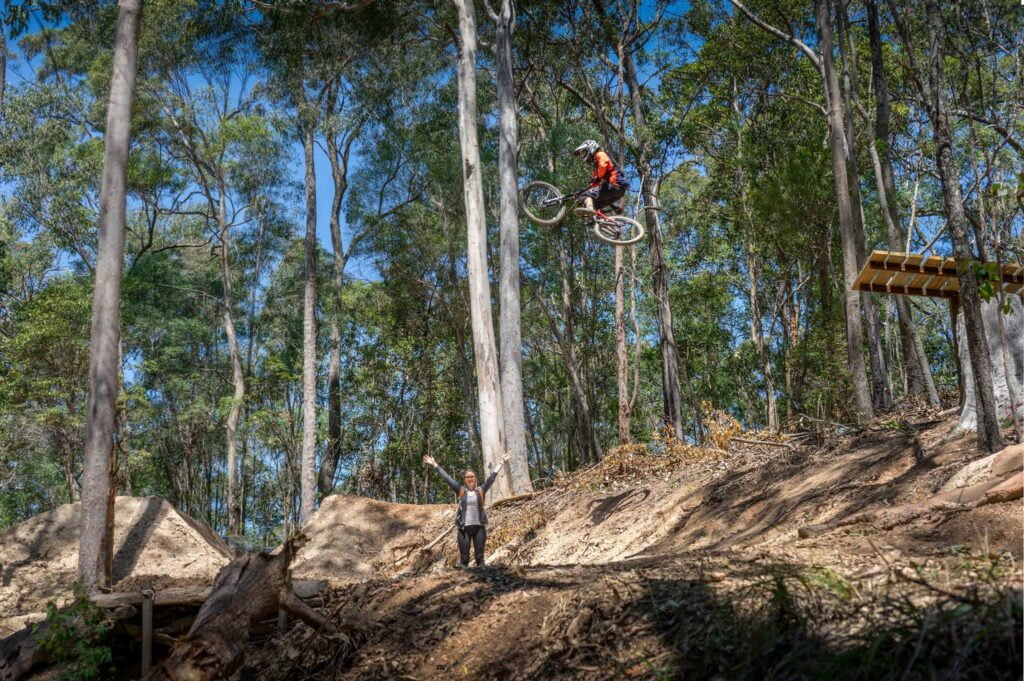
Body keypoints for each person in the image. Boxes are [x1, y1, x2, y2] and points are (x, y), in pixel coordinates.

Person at [423, 452, 512, 568]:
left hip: (479, 527)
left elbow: (491, 478)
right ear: (465, 479)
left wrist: (502, 462)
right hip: (464, 528)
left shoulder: (480, 490)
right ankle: (463, 583)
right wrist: (435, 464)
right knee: (464, 559)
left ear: (475, 479)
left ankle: (483, 581)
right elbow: (447, 478)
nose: (470, 479)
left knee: (480, 559)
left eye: (472, 477)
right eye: (468, 477)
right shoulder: (460, 490)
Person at [571, 139, 629, 218]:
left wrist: (597, 177)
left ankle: (590, 208)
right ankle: (602, 224)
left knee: (584, 196)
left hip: (615, 185)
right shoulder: (595, 167)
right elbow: (594, 186)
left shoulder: (600, 154)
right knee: (594, 203)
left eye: (584, 152)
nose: (583, 156)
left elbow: (603, 165)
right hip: (618, 191)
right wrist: (584, 190)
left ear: (590, 148)